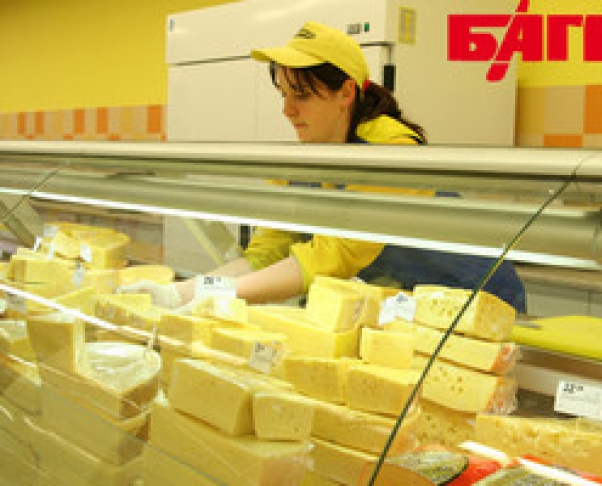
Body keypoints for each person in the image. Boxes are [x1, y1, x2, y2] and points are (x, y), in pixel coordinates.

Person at [118, 21, 526, 313]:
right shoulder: (308, 155)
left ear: (345, 92)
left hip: (474, 306)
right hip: (402, 307)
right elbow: (267, 253)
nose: (287, 110)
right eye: (283, 94)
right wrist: (182, 292)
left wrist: (222, 296)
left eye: (301, 96)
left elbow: (334, 256)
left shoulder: (392, 150)